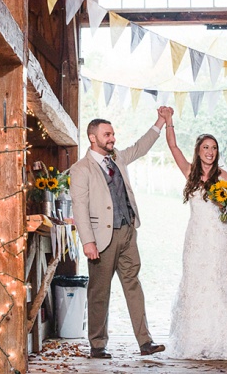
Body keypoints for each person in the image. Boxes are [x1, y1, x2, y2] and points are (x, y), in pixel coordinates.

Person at [69, 113, 166, 359]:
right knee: (99, 291)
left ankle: (145, 341)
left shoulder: (118, 158)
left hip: (127, 232)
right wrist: (88, 241)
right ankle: (98, 345)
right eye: (107, 134)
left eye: (112, 134)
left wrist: (159, 123)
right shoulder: (81, 169)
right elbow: (79, 207)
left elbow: (140, 147)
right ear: (93, 138)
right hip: (102, 239)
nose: (113, 138)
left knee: (133, 284)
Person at [160, 106, 227, 360]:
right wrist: (169, 121)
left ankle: (224, 341)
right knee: (195, 283)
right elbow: (174, 148)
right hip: (196, 237)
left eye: (214, 148)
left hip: (219, 237)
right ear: (199, 152)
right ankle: (195, 341)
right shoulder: (190, 172)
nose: (210, 152)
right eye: (206, 148)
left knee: (219, 282)